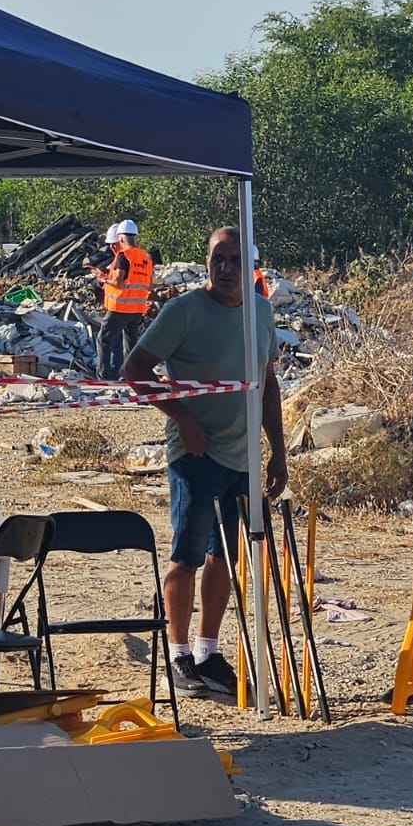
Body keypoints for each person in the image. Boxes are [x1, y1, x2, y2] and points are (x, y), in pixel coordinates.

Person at [122, 227, 287, 699]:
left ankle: (207, 651)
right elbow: (135, 371)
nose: (227, 267)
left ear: (249, 265)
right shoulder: (183, 313)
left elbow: (267, 382)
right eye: (219, 257)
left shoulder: (260, 310)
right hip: (195, 453)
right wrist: (184, 418)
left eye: (236, 259)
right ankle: (177, 655)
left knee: (224, 557)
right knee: (188, 554)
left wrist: (276, 450)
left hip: (243, 457)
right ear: (207, 261)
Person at [95, 219, 152, 378]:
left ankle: (103, 378)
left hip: (120, 308)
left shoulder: (123, 256)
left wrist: (103, 279)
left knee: (103, 340)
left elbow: (119, 282)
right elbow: (148, 285)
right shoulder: (145, 258)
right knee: (131, 346)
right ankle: (131, 377)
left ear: (120, 238)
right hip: (137, 309)